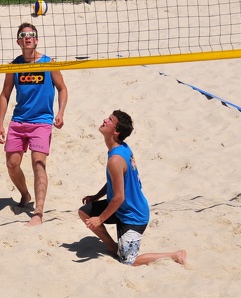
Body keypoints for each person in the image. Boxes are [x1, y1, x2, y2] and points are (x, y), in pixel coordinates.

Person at [79, 111, 188, 267]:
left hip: (133, 215)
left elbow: (119, 197)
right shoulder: (121, 147)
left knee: (129, 261)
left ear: (116, 131)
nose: (105, 120)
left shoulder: (116, 159)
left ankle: (175, 255)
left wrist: (100, 219)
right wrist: (96, 196)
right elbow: (115, 181)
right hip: (120, 209)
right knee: (84, 212)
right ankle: (113, 248)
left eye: (110, 120)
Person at [0, 23, 68, 227]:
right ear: (19, 41)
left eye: (31, 35)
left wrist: (60, 112)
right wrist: (0, 124)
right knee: (12, 164)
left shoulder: (48, 63)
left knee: (38, 165)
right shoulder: (14, 66)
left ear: (36, 40)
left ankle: (38, 212)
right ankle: (25, 195)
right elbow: (5, 94)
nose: (27, 38)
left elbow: (62, 89)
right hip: (19, 121)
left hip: (42, 122)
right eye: (23, 35)